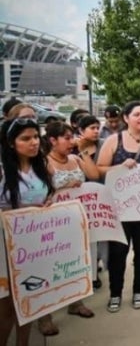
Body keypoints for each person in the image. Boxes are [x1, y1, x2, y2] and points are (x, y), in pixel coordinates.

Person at [97, 101, 140, 313]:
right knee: (118, 254)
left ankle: (139, 290)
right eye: (137, 114)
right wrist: (119, 167)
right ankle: (115, 293)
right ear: (126, 118)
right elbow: (100, 169)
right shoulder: (113, 141)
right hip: (120, 211)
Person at [36, 121, 101, 335]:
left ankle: (75, 302)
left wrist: (83, 153)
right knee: (49, 267)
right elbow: (41, 194)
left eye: (72, 137)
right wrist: (63, 187)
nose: (71, 142)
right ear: (53, 140)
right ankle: (45, 315)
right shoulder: (45, 163)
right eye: (66, 138)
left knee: (76, 262)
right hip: (53, 225)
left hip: (78, 221)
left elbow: (94, 176)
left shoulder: (75, 159)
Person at [0, 116, 54, 346]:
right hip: (5, 249)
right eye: (25, 138)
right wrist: (22, 212)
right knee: (6, 310)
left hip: (35, 248)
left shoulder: (42, 168)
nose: (33, 143)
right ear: (11, 143)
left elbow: (49, 196)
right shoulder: (2, 172)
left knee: (29, 302)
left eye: (35, 137)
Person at [76, 115, 107, 290]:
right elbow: (92, 173)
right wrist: (82, 151)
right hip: (81, 200)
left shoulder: (103, 145)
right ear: (81, 131)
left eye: (97, 127)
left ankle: (95, 269)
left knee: (99, 237)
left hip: (100, 199)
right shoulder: (73, 148)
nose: (96, 131)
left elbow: (98, 173)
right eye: (92, 128)